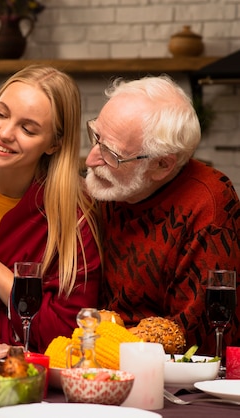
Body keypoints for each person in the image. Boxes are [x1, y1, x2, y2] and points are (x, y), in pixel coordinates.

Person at [0, 65, 102, 353]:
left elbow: (63, 336)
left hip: (15, 373)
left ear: (54, 144)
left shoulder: (74, 221)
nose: (4, 133)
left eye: (27, 128)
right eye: (1, 113)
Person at [84, 75, 240, 356]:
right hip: (99, 359)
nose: (91, 159)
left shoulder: (209, 204)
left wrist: (116, 345)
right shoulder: (106, 187)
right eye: (96, 138)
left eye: (111, 154)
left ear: (162, 165)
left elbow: (199, 338)